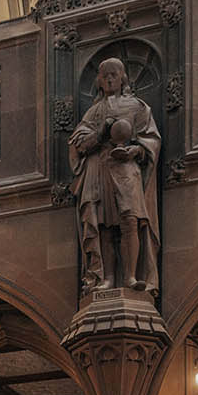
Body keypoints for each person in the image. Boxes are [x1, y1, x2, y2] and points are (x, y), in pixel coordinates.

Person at [68, 57, 161, 294]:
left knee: (130, 219)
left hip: (127, 169)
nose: (109, 79)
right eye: (105, 75)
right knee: (105, 225)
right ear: (99, 81)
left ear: (123, 78)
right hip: (100, 170)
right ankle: (107, 277)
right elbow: (79, 144)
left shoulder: (138, 107)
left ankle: (130, 276)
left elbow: (151, 139)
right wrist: (100, 133)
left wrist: (136, 149)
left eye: (114, 74)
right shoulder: (93, 112)